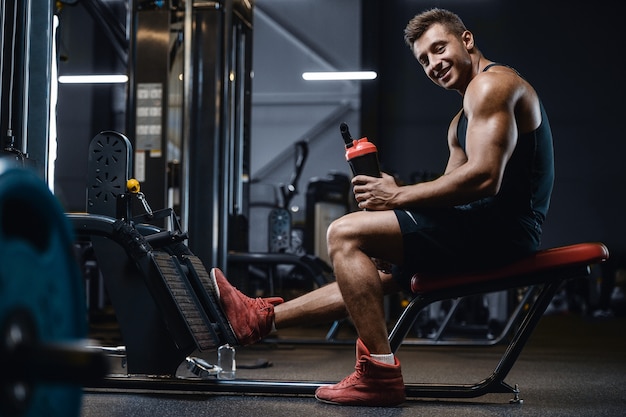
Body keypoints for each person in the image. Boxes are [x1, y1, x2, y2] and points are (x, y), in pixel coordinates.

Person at [211, 7, 554, 407]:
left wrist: (395, 199)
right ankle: (258, 319)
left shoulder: (491, 86)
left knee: (344, 231)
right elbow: (451, 191)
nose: (433, 65)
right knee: (373, 272)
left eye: (439, 49)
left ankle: (379, 374)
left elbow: (483, 179)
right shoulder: (460, 118)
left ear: (467, 40)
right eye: (424, 60)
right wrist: (396, 226)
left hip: (506, 233)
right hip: (483, 228)